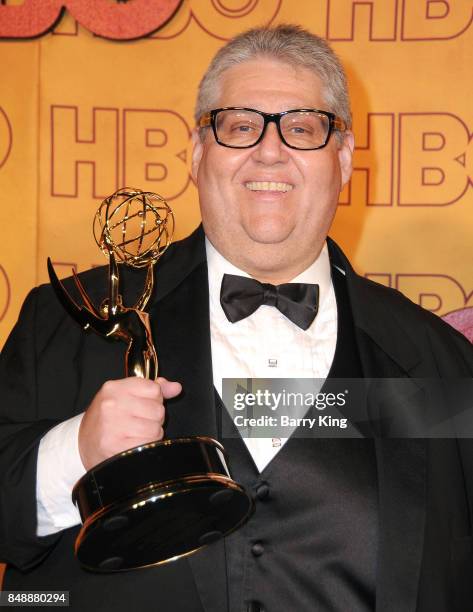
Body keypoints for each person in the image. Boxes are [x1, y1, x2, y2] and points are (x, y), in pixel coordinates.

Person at [1, 24, 472, 612]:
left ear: (344, 159)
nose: (269, 150)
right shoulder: (71, 319)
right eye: (240, 125)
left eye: (302, 127)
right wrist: (75, 451)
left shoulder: (439, 362)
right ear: (198, 154)